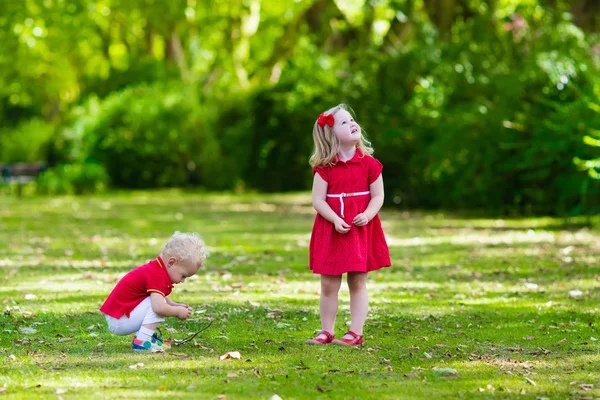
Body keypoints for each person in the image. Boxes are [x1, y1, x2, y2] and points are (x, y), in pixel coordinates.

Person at [306, 104, 391, 346]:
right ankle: (326, 331)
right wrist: (334, 219)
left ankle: (355, 332)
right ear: (330, 136)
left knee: (357, 281)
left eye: (352, 119)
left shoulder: (370, 164)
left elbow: (378, 197)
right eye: (344, 122)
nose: (353, 124)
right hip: (332, 229)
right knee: (328, 284)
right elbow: (317, 200)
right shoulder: (324, 169)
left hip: (360, 229)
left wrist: (368, 214)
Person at [100, 231, 208, 351]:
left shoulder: (157, 269)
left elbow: (159, 295)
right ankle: (142, 341)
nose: (182, 281)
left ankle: (146, 337)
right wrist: (177, 311)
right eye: (183, 276)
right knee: (158, 305)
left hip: (118, 317)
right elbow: (158, 307)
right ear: (171, 263)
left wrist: (174, 305)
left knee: (159, 302)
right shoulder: (156, 274)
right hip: (120, 320)